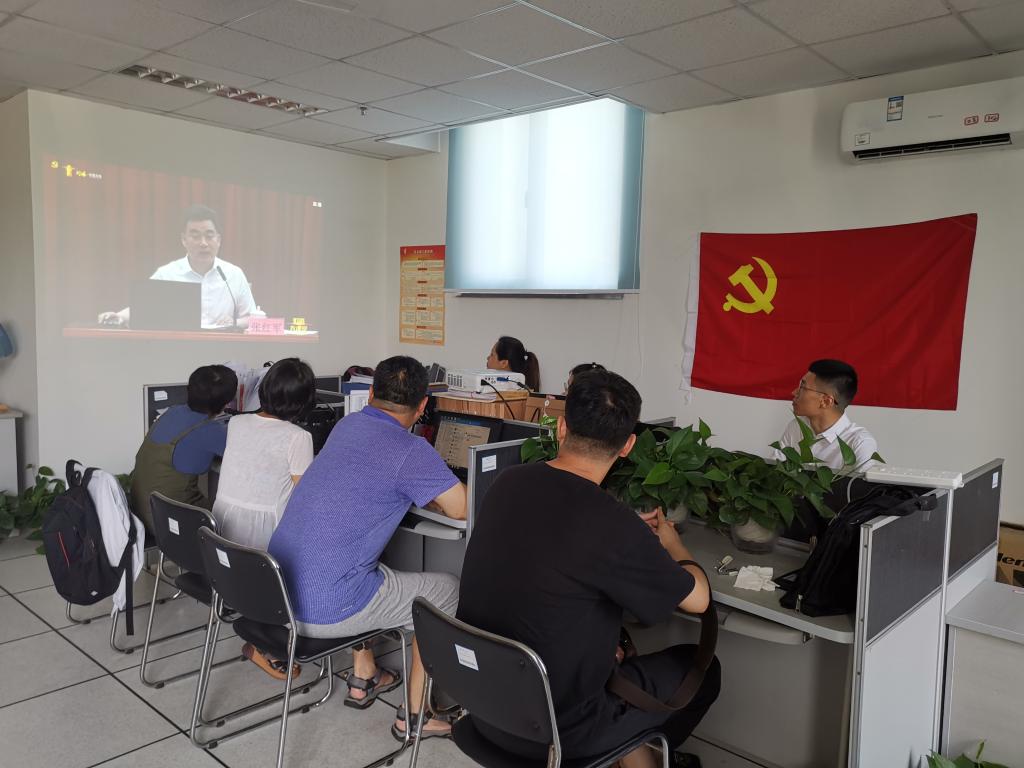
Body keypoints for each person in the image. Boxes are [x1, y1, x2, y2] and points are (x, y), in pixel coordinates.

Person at [457, 369, 720, 767]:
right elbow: (697, 600)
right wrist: (671, 544)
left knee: (614, 657)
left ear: (561, 428)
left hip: (485, 703)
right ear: (628, 445)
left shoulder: (508, 482)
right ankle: (629, 751)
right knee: (705, 671)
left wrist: (626, 534)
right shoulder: (613, 525)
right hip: (557, 732)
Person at [268, 355, 467, 739]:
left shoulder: (347, 425)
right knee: (445, 590)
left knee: (368, 560)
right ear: (423, 406)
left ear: (371, 392)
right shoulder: (411, 451)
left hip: (276, 593)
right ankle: (415, 716)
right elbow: (461, 509)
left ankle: (364, 675)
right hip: (325, 608)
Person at [213, 357, 315, 679]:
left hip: (222, 541)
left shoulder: (237, 423)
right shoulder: (298, 437)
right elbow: (306, 497)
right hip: (264, 546)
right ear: (305, 400)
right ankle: (267, 642)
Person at [98, 204, 262, 330]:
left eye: (209, 236)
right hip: (177, 347)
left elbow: (254, 318)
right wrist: (117, 316)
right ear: (184, 240)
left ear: (218, 240)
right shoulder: (168, 273)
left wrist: (235, 323)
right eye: (195, 236)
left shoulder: (233, 274)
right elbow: (142, 307)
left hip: (222, 349)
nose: (203, 243)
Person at [130, 364, 237, 532]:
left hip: (140, 509)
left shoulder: (172, 412)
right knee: (231, 520)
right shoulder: (209, 431)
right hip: (165, 522)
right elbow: (245, 454)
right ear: (225, 403)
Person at [774, 359, 879, 470]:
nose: (794, 392)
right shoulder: (796, 427)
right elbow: (774, 473)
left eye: (802, 388)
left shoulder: (859, 443)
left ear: (826, 401)